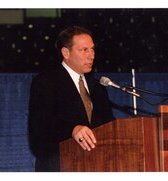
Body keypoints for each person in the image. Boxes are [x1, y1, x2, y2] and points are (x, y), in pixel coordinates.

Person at [28, 25, 115, 172]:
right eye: (84, 50)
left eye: (92, 49)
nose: (91, 55)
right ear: (66, 53)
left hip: (96, 165)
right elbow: (40, 127)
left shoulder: (98, 86)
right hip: (59, 166)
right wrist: (72, 129)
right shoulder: (46, 82)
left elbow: (108, 125)